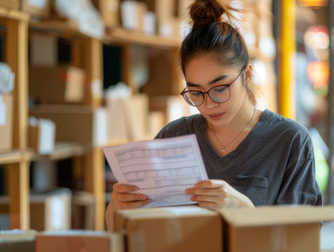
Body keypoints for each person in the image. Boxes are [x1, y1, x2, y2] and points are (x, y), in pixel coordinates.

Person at [106, 0, 322, 230]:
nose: (209, 104)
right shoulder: (174, 136)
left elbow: (303, 237)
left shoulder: (288, 140)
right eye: (196, 92)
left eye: (220, 88)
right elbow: (123, 231)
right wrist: (116, 209)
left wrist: (244, 211)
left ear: (247, 75)